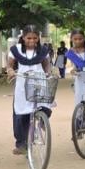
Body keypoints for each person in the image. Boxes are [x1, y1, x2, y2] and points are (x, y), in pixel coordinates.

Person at [7, 25, 53, 155]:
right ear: (23, 37)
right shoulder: (15, 50)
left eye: (34, 38)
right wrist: (10, 70)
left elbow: (46, 64)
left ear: (38, 38)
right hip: (22, 82)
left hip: (39, 81)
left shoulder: (43, 50)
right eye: (28, 38)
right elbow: (10, 64)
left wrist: (48, 73)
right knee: (21, 113)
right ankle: (21, 143)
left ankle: (43, 121)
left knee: (44, 104)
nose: (31, 41)